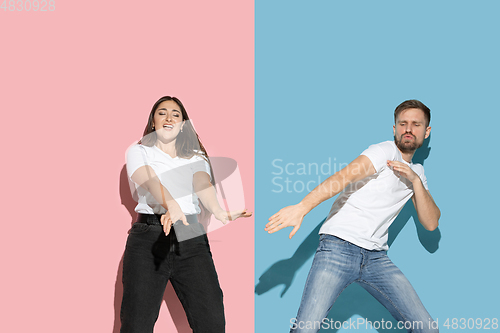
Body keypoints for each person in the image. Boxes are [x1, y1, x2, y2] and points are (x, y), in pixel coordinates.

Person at [266, 100, 440, 333]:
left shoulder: (417, 173)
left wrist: (416, 181)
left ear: (426, 132)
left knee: (427, 329)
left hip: (376, 259)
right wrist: (302, 207)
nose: (408, 129)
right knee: (305, 329)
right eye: (403, 123)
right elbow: (344, 176)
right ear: (394, 128)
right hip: (338, 247)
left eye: (416, 124)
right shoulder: (384, 151)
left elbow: (430, 223)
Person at [120, 96, 251, 333]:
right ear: (153, 121)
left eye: (176, 114)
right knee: (135, 325)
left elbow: (203, 184)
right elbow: (147, 178)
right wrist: (171, 204)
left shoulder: (195, 157)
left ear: (183, 124)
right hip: (148, 239)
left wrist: (218, 210)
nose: (169, 117)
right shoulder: (139, 150)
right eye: (162, 112)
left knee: (211, 322)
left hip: (190, 239)